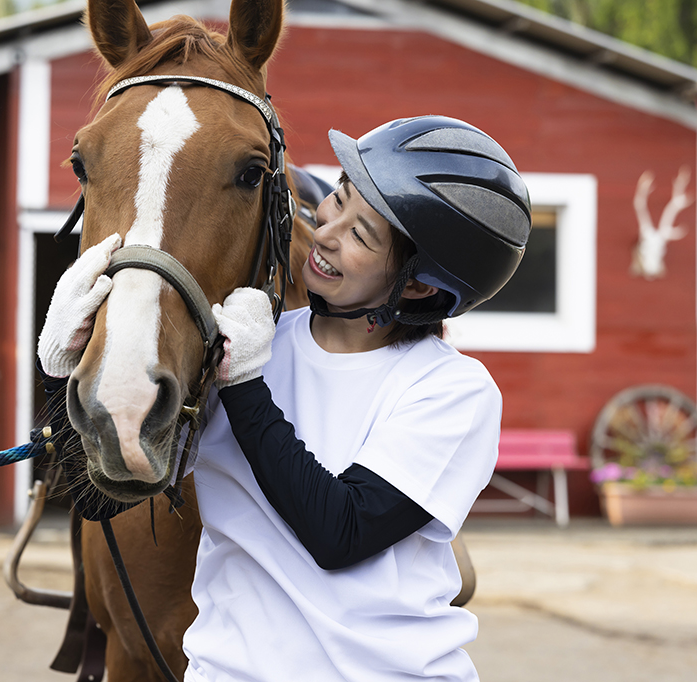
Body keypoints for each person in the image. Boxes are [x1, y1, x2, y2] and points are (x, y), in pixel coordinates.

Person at [39, 115, 531, 681]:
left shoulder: (452, 390)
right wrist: (58, 369)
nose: (325, 232)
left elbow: (340, 534)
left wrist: (246, 385)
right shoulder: (244, 347)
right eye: (339, 199)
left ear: (418, 286)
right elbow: (106, 501)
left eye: (360, 235)